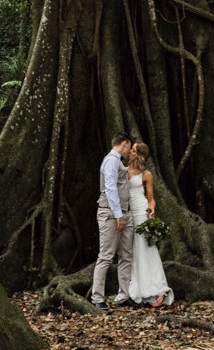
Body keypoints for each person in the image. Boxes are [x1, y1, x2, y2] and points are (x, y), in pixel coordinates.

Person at [126, 141, 173, 307]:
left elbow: (151, 199)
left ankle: (159, 289)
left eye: (132, 150)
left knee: (146, 249)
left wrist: (151, 211)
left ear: (138, 154)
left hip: (141, 212)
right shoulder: (124, 171)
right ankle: (137, 288)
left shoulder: (146, 174)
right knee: (133, 251)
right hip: (128, 214)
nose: (129, 152)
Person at [91, 132, 135, 311]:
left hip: (124, 213)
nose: (130, 151)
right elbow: (110, 188)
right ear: (124, 143)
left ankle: (124, 295)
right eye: (130, 147)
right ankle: (97, 297)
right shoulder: (111, 160)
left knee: (126, 255)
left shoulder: (119, 162)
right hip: (111, 214)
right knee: (106, 255)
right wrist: (118, 216)